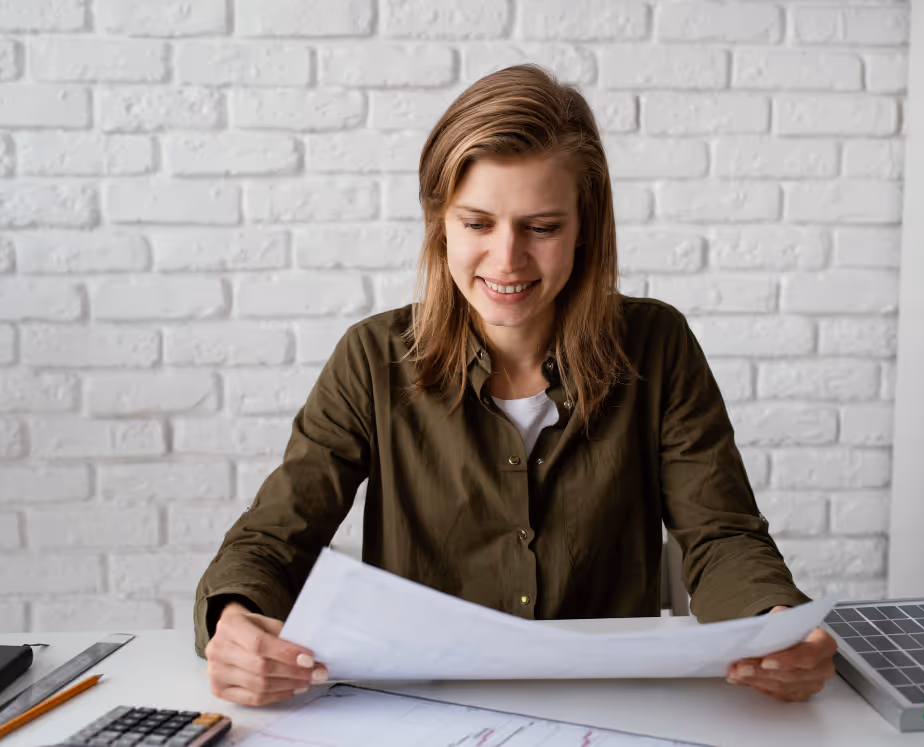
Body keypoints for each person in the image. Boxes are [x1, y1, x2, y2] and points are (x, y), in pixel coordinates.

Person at [193, 63, 837, 707]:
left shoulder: (657, 345)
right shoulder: (371, 357)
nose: (507, 261)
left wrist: (775, 623)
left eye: (543, 227)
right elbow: (277, 534)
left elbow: (721, 534)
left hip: (614, 706)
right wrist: (236, 620)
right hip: (419, 709)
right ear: (439, 223)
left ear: (585, 227)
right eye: (477, 224)